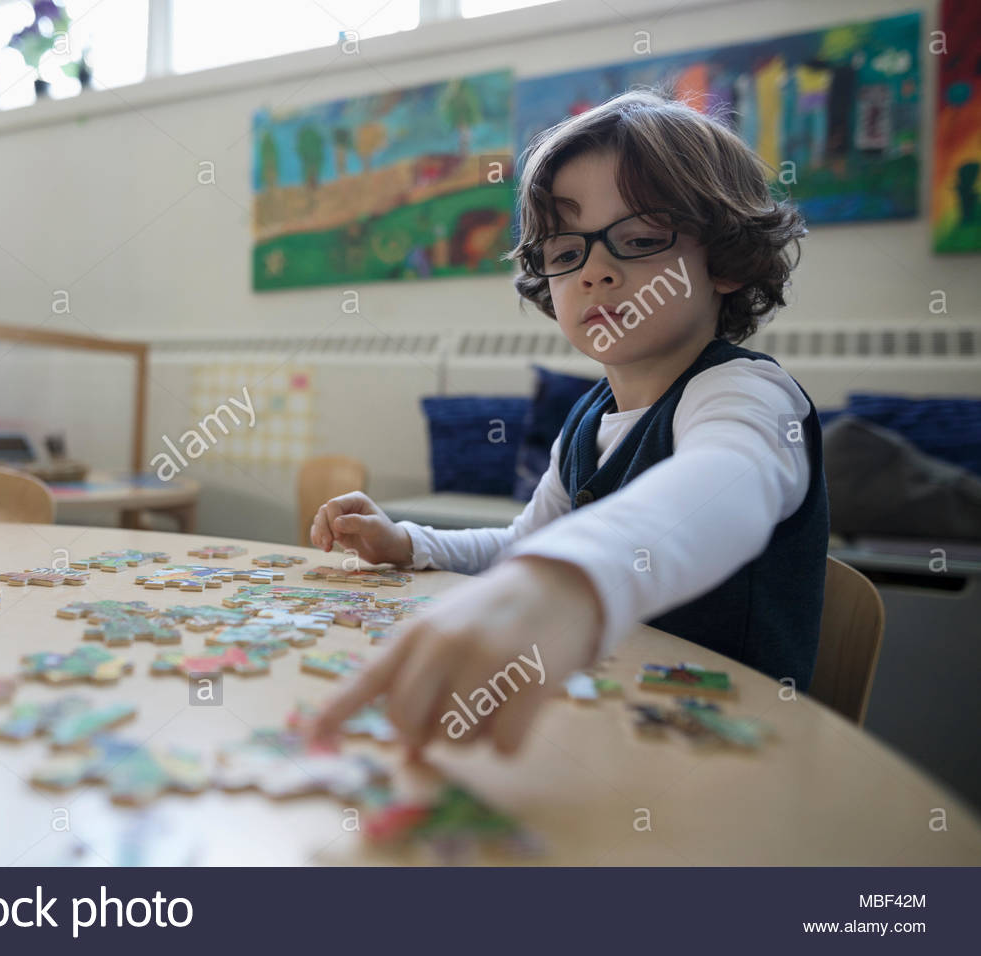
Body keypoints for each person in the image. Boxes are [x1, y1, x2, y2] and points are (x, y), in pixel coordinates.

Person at [309, 90, 828, 758]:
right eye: (565, 250)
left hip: (733, 760)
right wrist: (408, 542)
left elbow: (729, 482)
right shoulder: (587, 419)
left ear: (725, 261)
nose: (595, 272)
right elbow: (528, 547)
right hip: (610, 740)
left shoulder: (746, 393)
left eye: (639, 240)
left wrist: (569, 581)